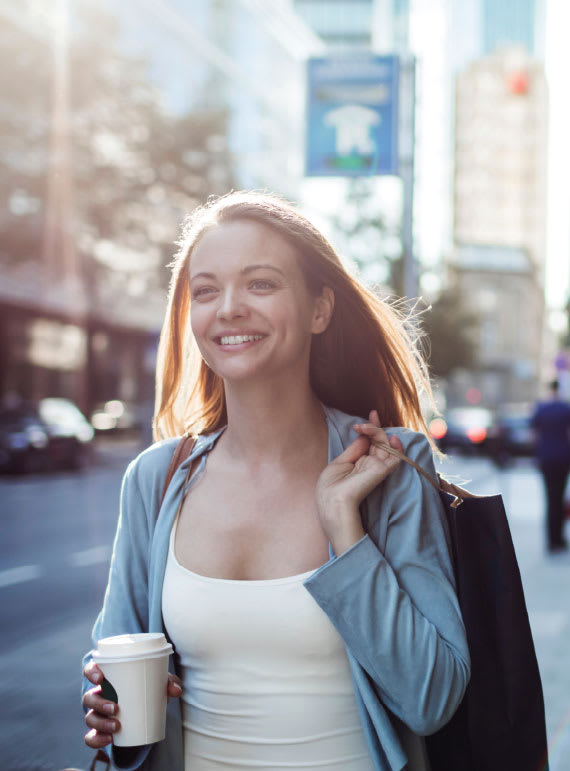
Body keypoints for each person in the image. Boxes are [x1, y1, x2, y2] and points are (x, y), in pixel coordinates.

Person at [81, 191, 470, 771]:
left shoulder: (389, 466)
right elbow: (115, 661)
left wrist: (345, 527)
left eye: (261, 284)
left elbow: (430, 699)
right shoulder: (154, 479)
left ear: (319, 310)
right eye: (207, 290)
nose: (229, 308)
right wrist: (105, 709)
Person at [531, 378, 570, 553]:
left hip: (546, 458)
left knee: (549, 498)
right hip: (563, 458)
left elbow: (534, 433)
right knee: (559, 498)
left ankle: (550, 540)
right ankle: (559, 539)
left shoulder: (541, 408)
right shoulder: (565, 408)